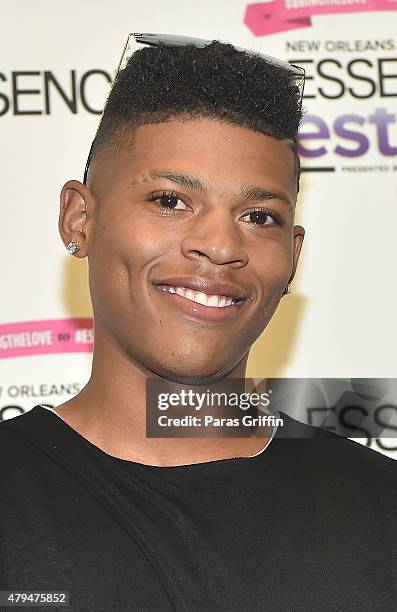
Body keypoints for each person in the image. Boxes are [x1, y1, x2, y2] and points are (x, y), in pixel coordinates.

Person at [0, 34, 395, 612]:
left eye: (259, 216)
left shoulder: (380, 509)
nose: (219, 245)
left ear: (294, 253)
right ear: (80, 218)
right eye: (169, 201)